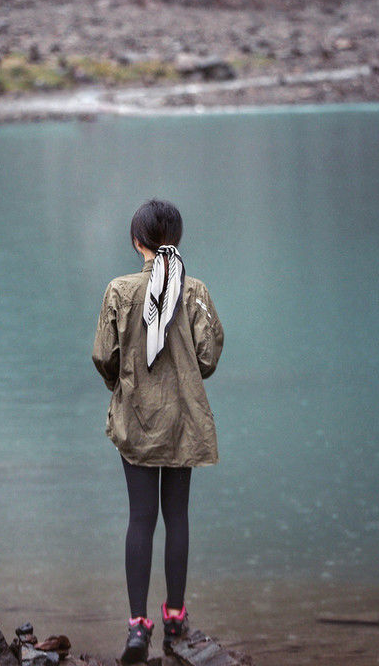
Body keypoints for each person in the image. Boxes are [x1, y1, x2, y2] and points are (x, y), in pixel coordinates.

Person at [92, 198, 224, 664]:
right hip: (184, 421)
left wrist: (124, 387)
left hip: (136, 421)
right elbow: (207, 359)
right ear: (178, 238)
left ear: (136, 241)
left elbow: (103, 356)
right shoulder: (196, 291)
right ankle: (174, 617)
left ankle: (136, 628)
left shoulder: (118, 290)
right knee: (178, 519)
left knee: (140, 520)